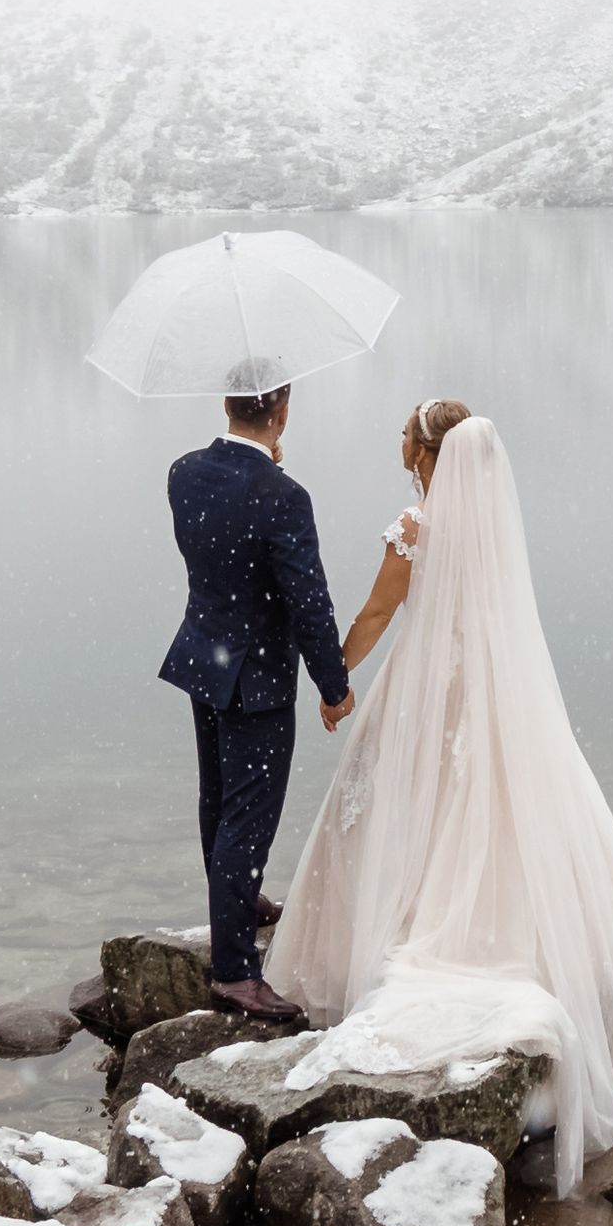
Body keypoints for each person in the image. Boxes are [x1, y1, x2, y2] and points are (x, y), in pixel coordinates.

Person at [261, 402, 613, 1186]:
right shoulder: (492, 532)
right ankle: (518, 943)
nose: (397, 441)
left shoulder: (418, 527)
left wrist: (335, 683)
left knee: (397, 810)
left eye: (404, 431)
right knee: (493, 813)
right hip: (495, 695)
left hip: (428, 693)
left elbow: (377, 611)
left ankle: (391, 936)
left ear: (424, 452)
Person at [157, 377, 358, 1021]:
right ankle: (236, 972)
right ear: (283, 410)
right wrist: (334, 684)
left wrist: (256, 466)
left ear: (225, 405)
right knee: (249, 814)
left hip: (205, 658)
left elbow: (217, 553)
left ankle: (236, 902)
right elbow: (309, 601)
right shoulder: (282, 496)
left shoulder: (184, 473)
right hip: (259, 677)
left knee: (217, 796)